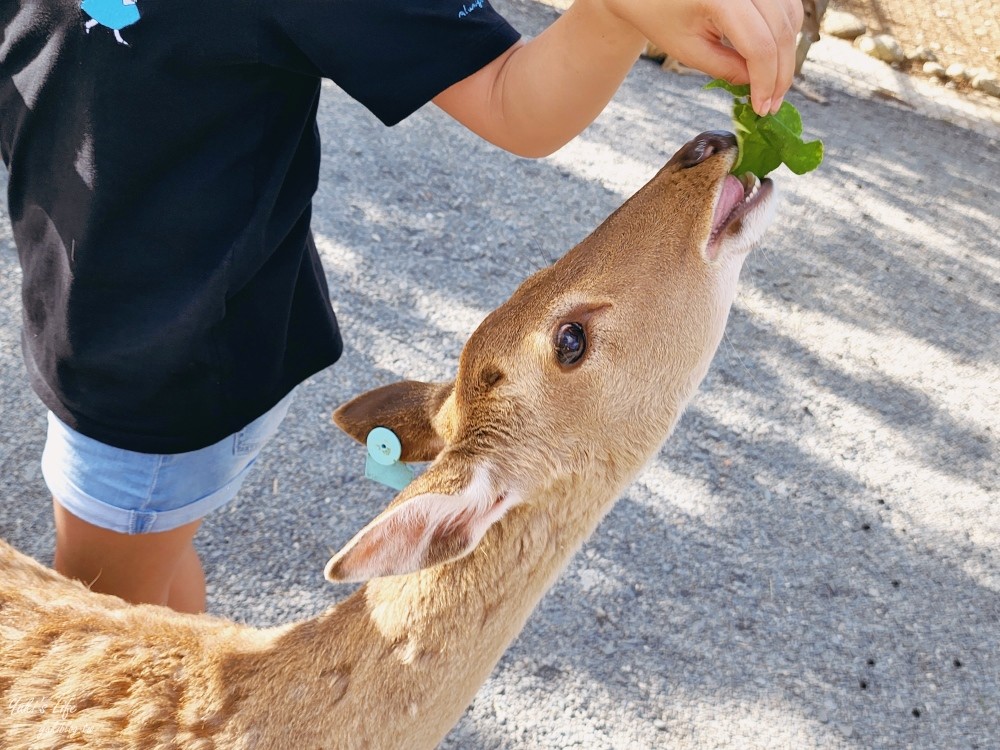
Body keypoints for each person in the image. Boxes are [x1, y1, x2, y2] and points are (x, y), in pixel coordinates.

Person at [0, 0, 802, 613]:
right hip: (97, 322)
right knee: (150, 594)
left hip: (154, 365)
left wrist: (616, 10)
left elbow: (511, 95)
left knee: (103, 608)